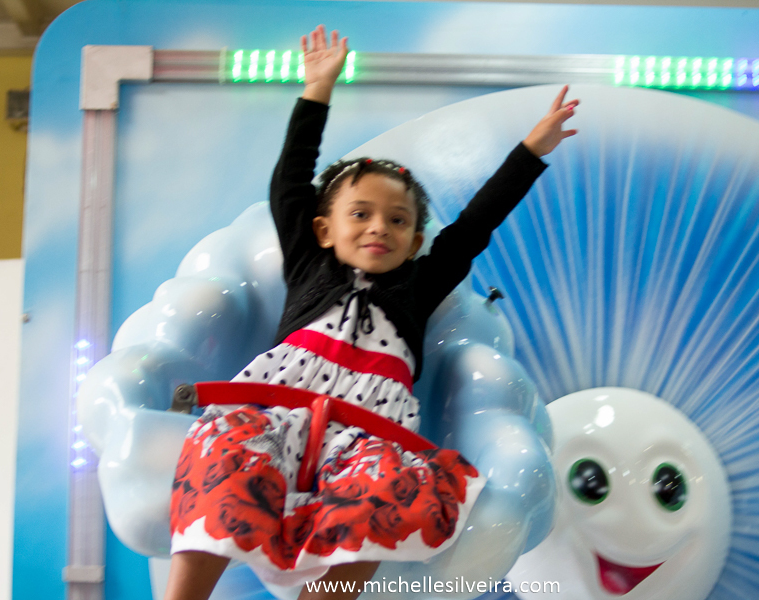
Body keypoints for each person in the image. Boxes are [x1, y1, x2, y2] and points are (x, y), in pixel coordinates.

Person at [163, 24, 578, 600]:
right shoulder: (310, 264)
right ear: (323, 229)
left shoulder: (419, 284)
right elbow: (289, 181)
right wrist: (317, 90)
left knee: (377, 509)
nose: (379, 225)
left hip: (367, 435)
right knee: (223, 466)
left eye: (398, 219)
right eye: (360, 213)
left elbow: (475, 225)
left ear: (413, 243)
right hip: (276, 410)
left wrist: (530, 153)